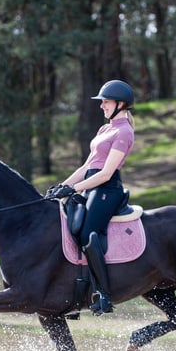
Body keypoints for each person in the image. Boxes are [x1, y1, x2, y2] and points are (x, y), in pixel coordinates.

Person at [47, 79, 135, 315]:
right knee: (68, 226)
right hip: (92, 185)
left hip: (108, 190)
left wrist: (74, 190)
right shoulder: (105, 129)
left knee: (87, 232)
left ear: (121, 103)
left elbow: (106, 173)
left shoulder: (124, 132)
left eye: (105, 101)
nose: (101, 106)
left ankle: (104, 295)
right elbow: (87, 166)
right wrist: (62, 186)